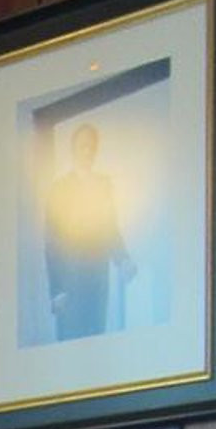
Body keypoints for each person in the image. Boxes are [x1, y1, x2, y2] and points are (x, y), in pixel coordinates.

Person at [44, 122, 137, 340]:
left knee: (96, 333)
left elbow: (110, 227)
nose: (87, 151)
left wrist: (123, 259)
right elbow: (52, 241)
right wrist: (57, 289)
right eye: (82, 146)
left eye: (91, 146)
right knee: (71, 337)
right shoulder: (59, 188)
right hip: (70, 280)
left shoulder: (104, 185)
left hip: (98, 276)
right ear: (73, 149)